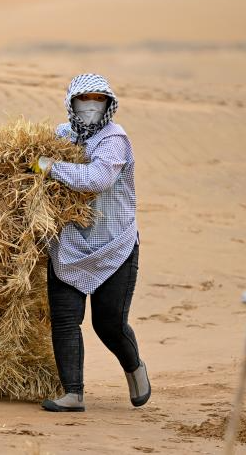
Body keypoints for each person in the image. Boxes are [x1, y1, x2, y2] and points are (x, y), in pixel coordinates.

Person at [31, 73, 149, 412]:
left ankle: (135, 368)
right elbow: (34, 166)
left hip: (114, 245)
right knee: (65, 319)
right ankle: (73, 393)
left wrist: (50, 168)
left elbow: (96, 179)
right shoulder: (61, 136)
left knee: (108, 323)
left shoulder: (115, 140)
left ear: (109, 105)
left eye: (99, 100)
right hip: (68, 245)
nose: (91, 106)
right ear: (71, 103)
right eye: (85, 99)